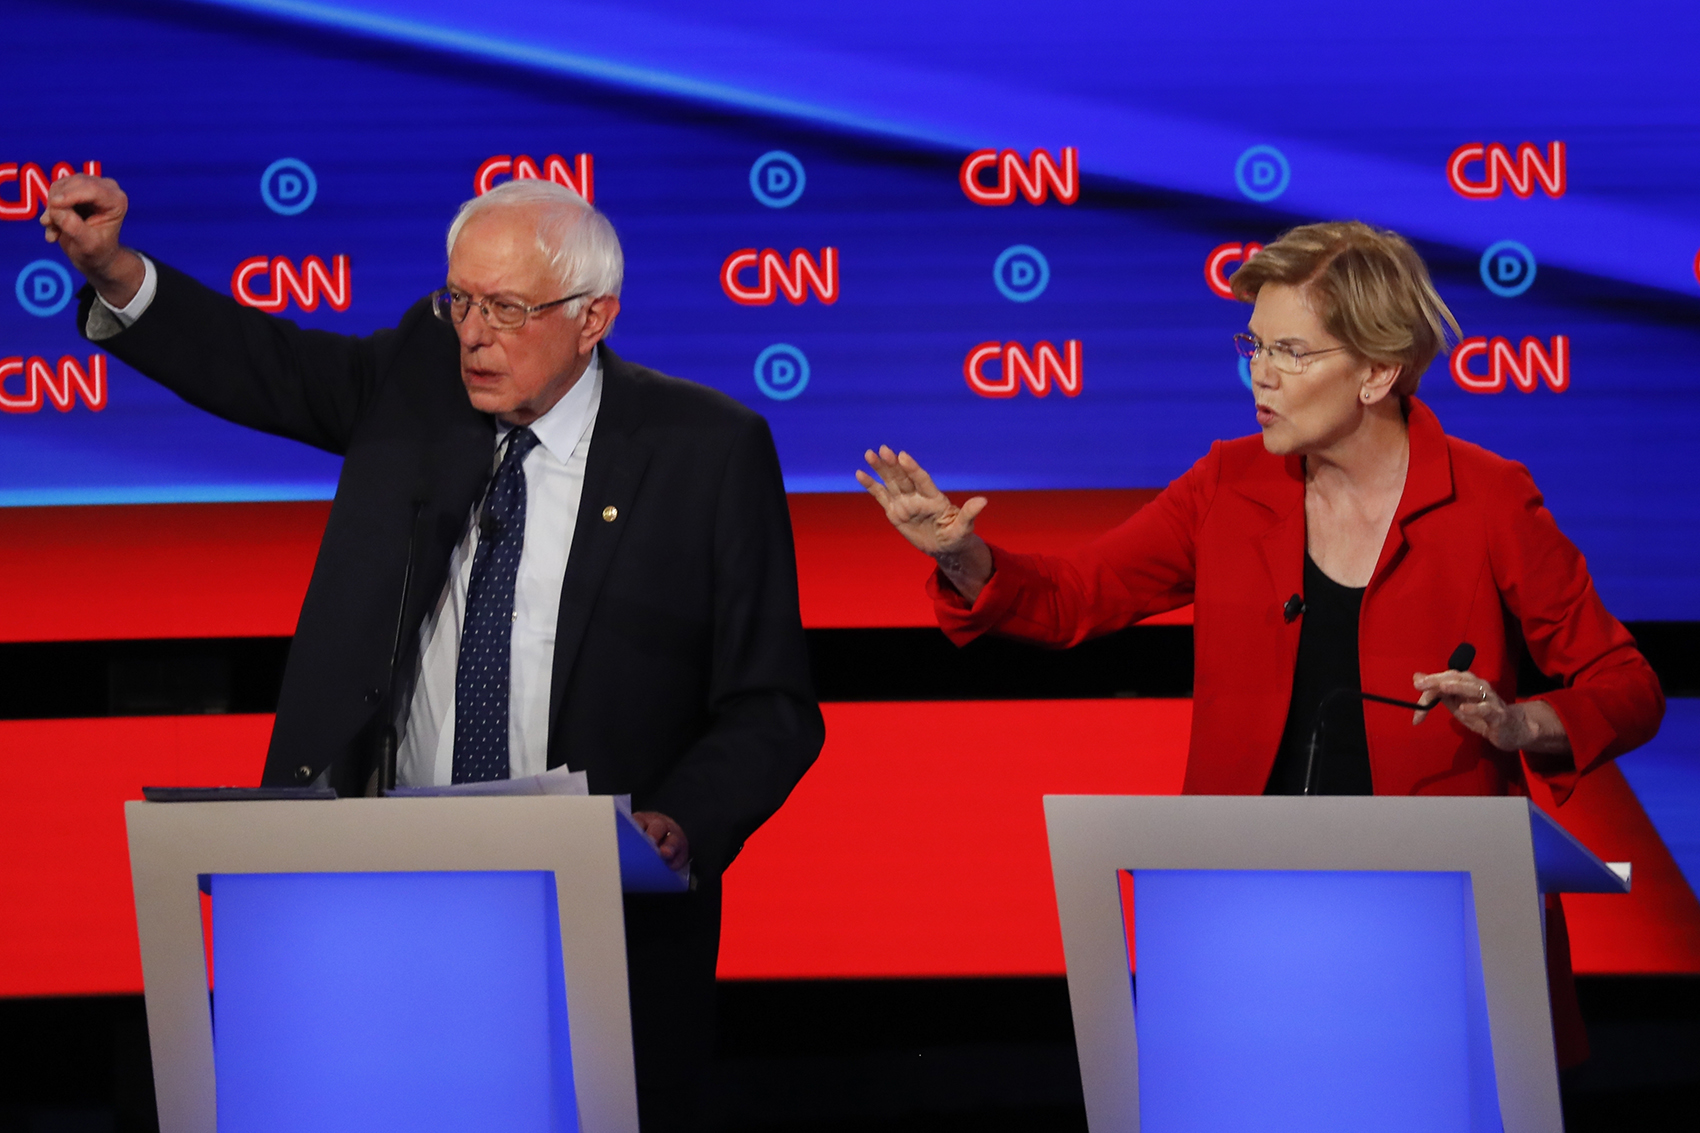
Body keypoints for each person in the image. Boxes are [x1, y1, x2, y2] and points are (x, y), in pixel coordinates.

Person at [43, 172, 825, 1130]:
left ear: (594, 318)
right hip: (383, 893)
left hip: (592, 914)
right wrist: (116, 270)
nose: (473, 334)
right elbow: (261, 361)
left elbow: (770, 705)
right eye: (460, 299)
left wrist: (680, 822)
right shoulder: (418, 384)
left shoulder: (706, 450)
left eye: (507, 307)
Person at [857, 221, 1663, 1066]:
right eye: (1253, 344)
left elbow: (1627, 683)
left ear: (1378, 372)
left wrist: (1520, 722)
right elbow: (1069, 598)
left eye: (1291, 350)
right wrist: (958, 549)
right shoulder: (1227, 486)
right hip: (1243, 920)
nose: (1260, 373)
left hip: (1438, 922)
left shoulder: (1490, 499)